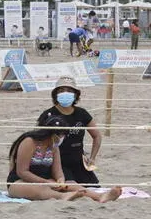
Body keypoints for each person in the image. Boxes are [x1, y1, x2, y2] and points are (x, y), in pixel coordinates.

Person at [37, 76, 122, 204]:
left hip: (78, 161)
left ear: (76, 95)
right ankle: (99, 198)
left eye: (69, 90)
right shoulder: (48, 115)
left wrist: (92, 158)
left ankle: (98, 195)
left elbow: (97, 136)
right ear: (55, 94)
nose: (65, 93)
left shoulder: (81, 114)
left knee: (94, 187)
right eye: (61, 90)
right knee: (68, 185)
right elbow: (38, 139)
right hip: (58, 163)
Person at [7, 115, 85, 201]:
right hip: (19, 181)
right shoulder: (29, 142)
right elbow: (22, 172)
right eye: (61, 135)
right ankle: (61, 196)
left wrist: (60, 180)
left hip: (46, 180)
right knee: (40, 189)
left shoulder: (54, 146)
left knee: (71, 184)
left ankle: (97, 196)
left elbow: (58, 171)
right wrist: (46, 182)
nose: (62, 138)